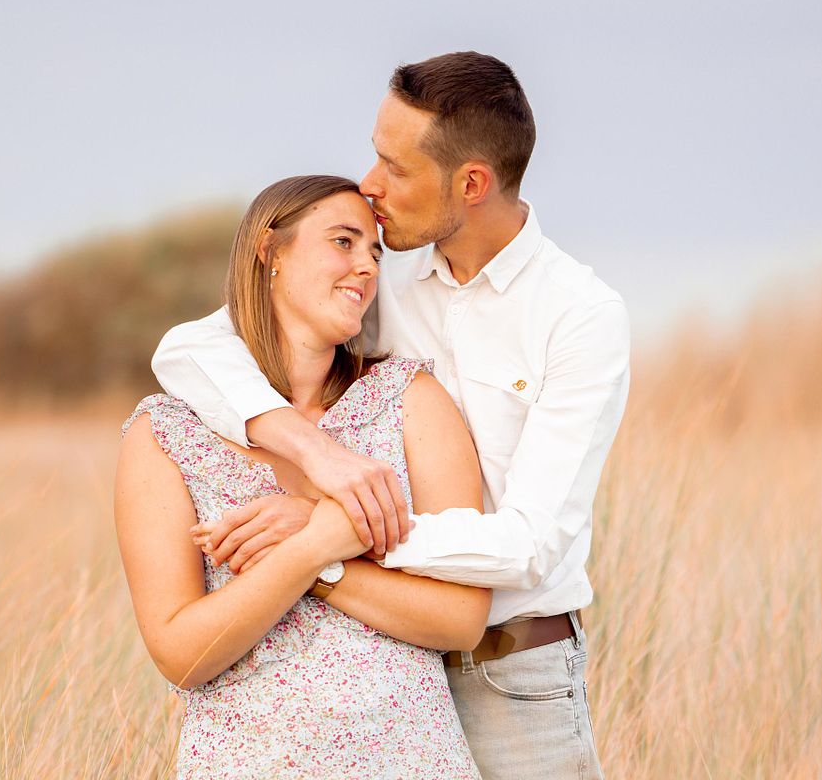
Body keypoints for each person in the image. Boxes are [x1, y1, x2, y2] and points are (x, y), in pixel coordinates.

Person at [155, 52, 629, 779]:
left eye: (395, 168)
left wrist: (327, 539)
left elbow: (529, 543)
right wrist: (311, 456)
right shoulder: (380, 286)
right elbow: (189, 350)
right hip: (384, 662)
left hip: (513, 671)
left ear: (471, 183)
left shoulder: (579, 316)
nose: (370, 188)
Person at [115, 174, 491, 778]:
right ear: (270, 252)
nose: (366, 268)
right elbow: (182, 655)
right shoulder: (164, 435)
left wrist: (330, 558)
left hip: (408, 761)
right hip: (245, 763)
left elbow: (461, 619)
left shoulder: (412, 401)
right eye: (343, 242)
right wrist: (316, 543)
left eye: (374, 252)